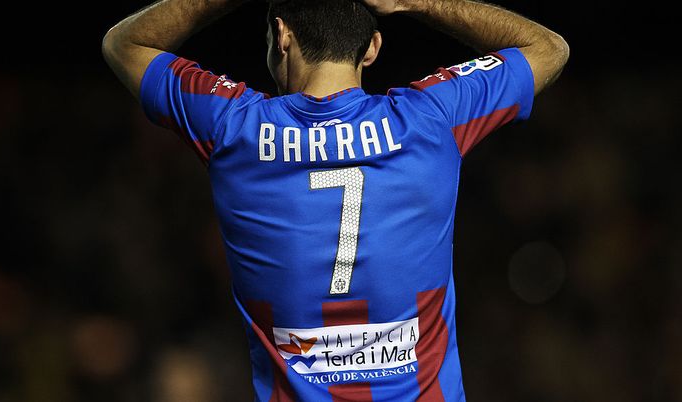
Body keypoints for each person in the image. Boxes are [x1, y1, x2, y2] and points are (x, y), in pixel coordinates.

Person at [102, 0, 568, 400]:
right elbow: (549, 49)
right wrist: (418, 3)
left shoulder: (233, 127)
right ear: (373, 47)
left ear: (282, 36)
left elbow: (124, 45)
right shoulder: (432, 117)